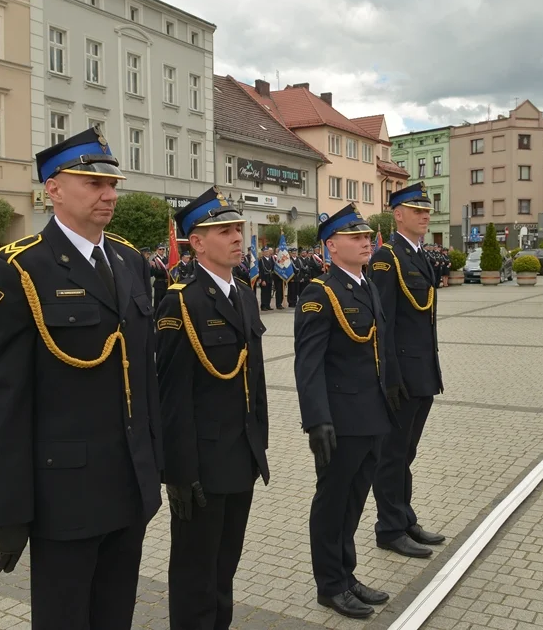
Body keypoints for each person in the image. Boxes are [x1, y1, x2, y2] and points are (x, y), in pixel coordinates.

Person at [0, 125, 162, 629]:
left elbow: (143, 377)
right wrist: (9, 509)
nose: (109, 194)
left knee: (115, 615)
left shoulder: (129, 260)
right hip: (65, 493)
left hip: (129, 482)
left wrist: (158, 463)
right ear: (52, 188)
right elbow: (2, 402)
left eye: (112, 184)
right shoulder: (16, 270)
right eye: (92, 183)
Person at [156, 187, 270, 630]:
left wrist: (258, 442)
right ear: (197, 243)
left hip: (240, 455)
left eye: (238, 228)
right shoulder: (180, 302)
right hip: (201, 465)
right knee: (194, 571)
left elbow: (253, 381)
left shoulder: (242, 294)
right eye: (224, 231)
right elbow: (171, 396)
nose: (237, 237)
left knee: (225, 565)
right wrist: (179, 473)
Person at [294, 203, 394, 619]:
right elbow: (309, 362)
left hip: (371, 416)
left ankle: (346, 574)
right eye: (356, 237)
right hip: (340, 421)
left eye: (367, 235)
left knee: (354, 501)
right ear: (332, 246)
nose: (366, 241)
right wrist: (317, 419)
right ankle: (330, 585)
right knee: (333, 503)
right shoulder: (321, 292)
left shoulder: (364, 284)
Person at [368, 183, 447, 560]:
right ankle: (389, 528)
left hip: (422, 373)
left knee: (407, 453)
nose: (425, 214)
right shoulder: (387, 258)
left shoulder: (420, 255)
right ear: (397, 214)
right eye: (417, 209)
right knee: (392, 455)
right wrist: (390, 377)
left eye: (426, 209)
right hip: (401, 377)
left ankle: (405, 517)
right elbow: (383, 324)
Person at [258, 246, 275, 311]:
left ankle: (268, 305)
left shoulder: (271, 259)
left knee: (269, 292)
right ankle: (263, 306)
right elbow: (260, 271)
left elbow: (272, 268)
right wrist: (262, 280)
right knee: (264, 293)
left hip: (270, 278)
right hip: (264, 278)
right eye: (265, 252)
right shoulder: (261, 260)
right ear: (263, 253)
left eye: (267, 251)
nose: (267, 253)